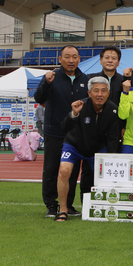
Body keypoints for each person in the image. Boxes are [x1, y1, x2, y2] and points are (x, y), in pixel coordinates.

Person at [34, 45, 90, 217]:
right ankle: (51, 205)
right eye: (67, 57)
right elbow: (38, 98)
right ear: (60, 59)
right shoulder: (52, 77)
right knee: (51, 170)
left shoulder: (85, 79)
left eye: (74, 57)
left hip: (76, 134)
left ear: (79, 58)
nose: (71, 60)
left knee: (72, 171)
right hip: (54, 132)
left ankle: (69, 205)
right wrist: (46, 82)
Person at [54, 77, 120, 221]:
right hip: (74, 145)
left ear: (108, 93)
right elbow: (64, 127)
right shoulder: (80, 105)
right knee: (64, 171)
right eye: (96, 90)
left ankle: (101, 208)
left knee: (104, 177)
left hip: (97, 149)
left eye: (103, 90)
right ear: (89, 93)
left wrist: (110, 160)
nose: (100, 94)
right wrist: (74, 114)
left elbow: (113, 138)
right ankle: (63, 210)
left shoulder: (113, 110)